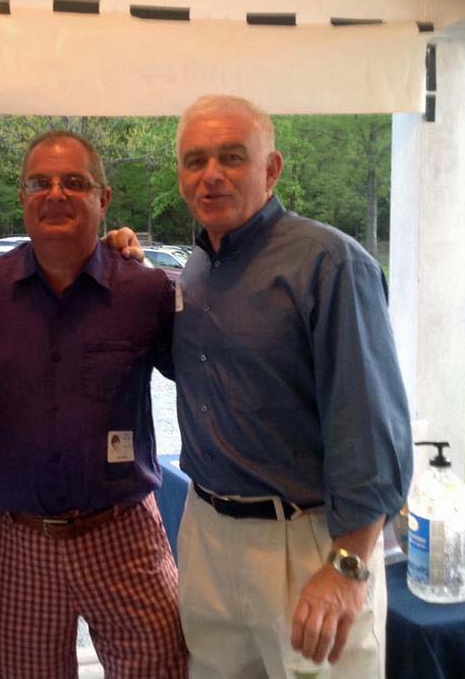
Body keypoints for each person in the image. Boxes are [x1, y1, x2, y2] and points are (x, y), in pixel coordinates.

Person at [171, 95, 412, 678]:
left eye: (232, 157)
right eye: (195, 160)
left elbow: (369, 428)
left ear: (271, 168)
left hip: (305, 544)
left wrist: (349, 566)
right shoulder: (197, 269)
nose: (210, 175)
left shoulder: (331, 263)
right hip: (207, 533)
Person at [0, 131, 186, 678]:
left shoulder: (146, 292)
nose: (56, 194)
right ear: (22, 196)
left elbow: (207, 380)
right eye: (39, 182)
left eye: (74, 182)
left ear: (103, 198)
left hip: (124, 534)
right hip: (19, 540)